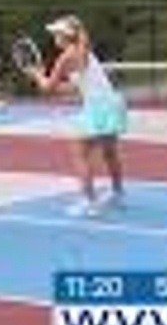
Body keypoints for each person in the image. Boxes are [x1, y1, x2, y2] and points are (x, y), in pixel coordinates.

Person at [22, 15, 126, 217]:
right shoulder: (84, 51)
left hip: (97, 107)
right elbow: (74, 87)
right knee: (109, 153)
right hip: (111, 103)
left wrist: (36, 75)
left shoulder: (66, 57)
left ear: (64, 36)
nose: (54, 37)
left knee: (80, 154)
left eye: (56, 34)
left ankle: (89, 202)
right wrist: (45, 78)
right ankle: (117, 192)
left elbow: (48, 88)